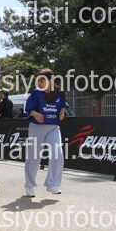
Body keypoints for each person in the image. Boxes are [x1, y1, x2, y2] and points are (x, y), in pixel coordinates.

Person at [24, 68, 66, 197]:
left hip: (53, 127)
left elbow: (62, 107)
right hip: (37, 127)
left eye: (42, 81)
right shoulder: (36, 93)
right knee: (34, 156)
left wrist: (62, 112)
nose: (39, 84)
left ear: (50, 81)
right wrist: (35, 113)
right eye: (38, 81)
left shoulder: (60, 93)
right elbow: (28, 110)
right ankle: (29, 185)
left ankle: (53, 184)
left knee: (58, 153)